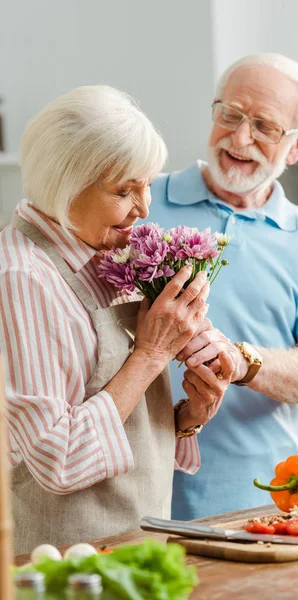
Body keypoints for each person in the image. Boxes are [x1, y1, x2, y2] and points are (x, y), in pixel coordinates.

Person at [0, 85, 234, 555]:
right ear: (65, 184)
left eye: (146, 183)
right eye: (123, 190)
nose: (144, 209)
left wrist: (186, 417)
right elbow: (58, 459)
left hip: (138, 550)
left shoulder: (106, 253)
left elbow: (117, 418)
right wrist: (151, 354)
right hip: (65, 571)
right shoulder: (21, 278)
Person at [148, 53, 298, 520]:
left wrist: (241, 361)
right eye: (230, 114)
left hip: (271, 504)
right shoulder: (143, 200)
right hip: (145, 499)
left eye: (264, 126)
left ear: (297, 146)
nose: (239, 138)